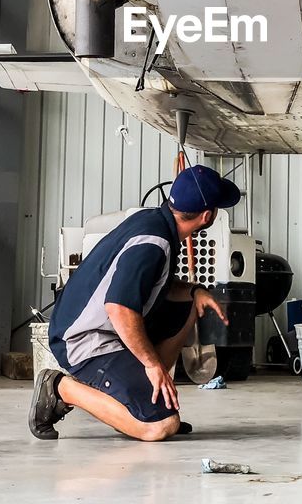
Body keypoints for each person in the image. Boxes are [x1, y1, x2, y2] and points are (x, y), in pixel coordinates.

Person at [28, 164, 239, 442]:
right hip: (86, 339)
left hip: (106, 331)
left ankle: (146, 401)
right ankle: (60, 388)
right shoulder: (153, 242)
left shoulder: (158, 223)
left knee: (188, 304)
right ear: (207, 216)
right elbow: (118, 308)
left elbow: (154, 287)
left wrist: (196, 291)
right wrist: (151, 365)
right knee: (160, 427)